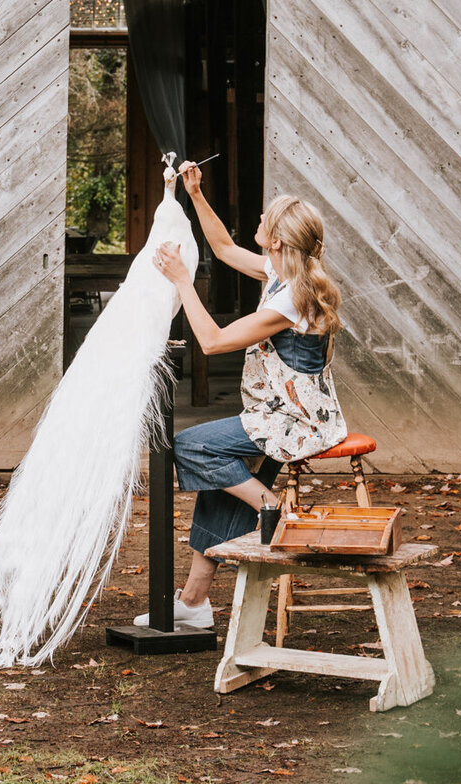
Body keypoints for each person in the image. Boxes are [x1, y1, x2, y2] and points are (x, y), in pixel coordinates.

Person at [142, 162, 347, 631]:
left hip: (293, 421)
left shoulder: (291, 297)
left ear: (276, 240)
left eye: (265, 220)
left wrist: (181, 282)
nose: (258, 222)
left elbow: (212, 342)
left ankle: (274, 509)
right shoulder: (281, 271)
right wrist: (195, 194)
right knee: (221, 480)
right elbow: (223, 247)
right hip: (279, 412)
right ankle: (193, 603)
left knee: (193, 446)